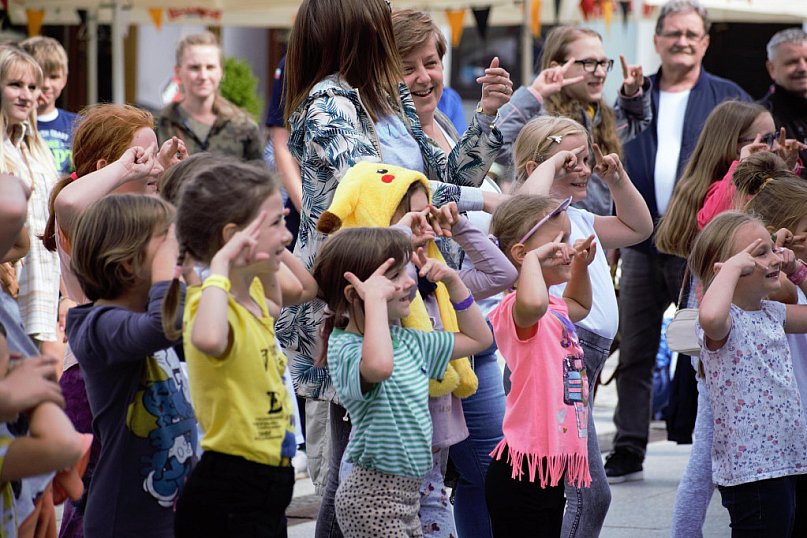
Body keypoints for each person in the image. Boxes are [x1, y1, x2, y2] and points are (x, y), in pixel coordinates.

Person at [279, 2, 503, 535]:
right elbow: (383, 185)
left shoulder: (382, 95)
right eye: (379, 28)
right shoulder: (327, 103)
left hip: (407, 291)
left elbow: (435, 174)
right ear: (355, 32)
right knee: (356, 471)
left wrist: (488, 123)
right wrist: (487, 202)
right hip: (356, 300)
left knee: (402, 469)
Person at [604, 0, 752, 484]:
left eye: (692, 34)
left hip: (703, 244)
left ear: (706, 42)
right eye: (673, 33)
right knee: (637, 348)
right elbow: (607, 153)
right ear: (657, 40)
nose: (682, 41)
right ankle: (629, 445)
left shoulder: (729, 98)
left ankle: (721, 440)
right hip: (641, 241)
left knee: (712, 343)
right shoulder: (632, 94)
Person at [46, 103, 184, 538]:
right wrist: (129, 168)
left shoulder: (132, 205)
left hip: (139, 360)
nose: (150, 164)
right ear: (108, 167)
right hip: (91, 370)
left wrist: (159, 173)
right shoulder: (90, 217)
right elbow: (69, 199)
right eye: (141, 156)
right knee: (90, 493)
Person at [514, 116, 653, 537]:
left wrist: (618, 182)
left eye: (585, 158)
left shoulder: (581, 218)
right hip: (560, 358)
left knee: (572, 486)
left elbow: (639, 228)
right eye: (568, 160)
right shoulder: (534, 221)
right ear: (536, 168)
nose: (582, 168)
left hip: (582, 360)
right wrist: (551, 162)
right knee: (588, 492)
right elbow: (525, 207)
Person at [311, 226, 491, 536]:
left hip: (410, 492)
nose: (410, 282)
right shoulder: (346, 347)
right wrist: (376, 303)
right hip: (370, 496)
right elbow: (380, 367)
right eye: (394, 278)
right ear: (356, 294)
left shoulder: (409, 341)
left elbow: (479, 339)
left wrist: (454, 282)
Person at [171, 160, 316, 537]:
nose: (286, 234)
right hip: (231, 485)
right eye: (275, 223)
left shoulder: (251, 292)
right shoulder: (208, 300)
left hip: (270, 477)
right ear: (233, 236)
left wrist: (270, 252)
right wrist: (220, 263)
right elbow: (209, 340)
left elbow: (280, 297)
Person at [670, 160, 807, 537]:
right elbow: (710, 316)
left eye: (770, 250)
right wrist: (729, 269)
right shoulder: (724, 323)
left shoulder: (773, 313)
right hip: (752, 474)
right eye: (758, 254)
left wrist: (796, 271)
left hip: (787, 463)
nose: (772, 258)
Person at [65, 194, 197, 538]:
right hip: (125, 519)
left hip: (170, 510)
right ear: (127, 264)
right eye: (167, 244)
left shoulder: (151, 319)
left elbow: (205, 333)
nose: (177, 253)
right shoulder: (96, 326)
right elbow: (162, 327)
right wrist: (170, 276)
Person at [485, 194, 595, 536]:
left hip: (547, 469)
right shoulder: (517, 307)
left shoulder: (554, 305)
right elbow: (531, 303)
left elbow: (579, 303)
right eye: (556, 242)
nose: (566, 247)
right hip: (519, 472)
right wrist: (533, 259)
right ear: (521, 254)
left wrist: (580, 267)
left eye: (567, 238)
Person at [496, 24, 651, 217]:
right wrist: (533, 94)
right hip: (548, 231)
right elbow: (495, 144)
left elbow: (637, 120)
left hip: (594, 234)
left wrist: (632, 94)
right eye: (589, 63)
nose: (601, 72)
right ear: (557, 68)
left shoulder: (601, 116)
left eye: (603, 63)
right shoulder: (540, 118)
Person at [0, 47, 60, 354]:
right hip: (8, 285)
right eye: (15, 85)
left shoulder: (36, 146)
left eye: (32, 87)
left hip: (44, 285)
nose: (27, 95)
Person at [157, 31, 263, 161]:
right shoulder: (160, 125)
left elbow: (259, 179)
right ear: (178, 72)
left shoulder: (243, 127)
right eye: (194, 68)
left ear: (222, 72)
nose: (203, 76)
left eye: (210, 67)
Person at [20, 36, 78, 175]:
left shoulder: (79, 124)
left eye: (53, 77)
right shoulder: (12, 125)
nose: (46, 85)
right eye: (39, 76)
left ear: (64, 79)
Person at [759, 28, 807, 178]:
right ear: (771, 68)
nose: (803, 68)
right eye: (792, 62)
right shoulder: (761, 117)